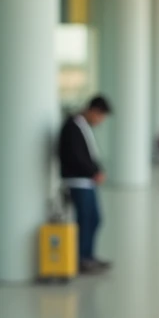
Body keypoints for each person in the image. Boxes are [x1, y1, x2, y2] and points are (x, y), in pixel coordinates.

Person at [58, 95, 112, 273]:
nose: (100, 121)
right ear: (93, 111)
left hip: (86, 181)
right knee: (85, 220)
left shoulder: (82, 126)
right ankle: (81, 258)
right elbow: (74, 156)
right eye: (100, 116)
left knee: (93, 219)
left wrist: (97, 170)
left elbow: (89, 153)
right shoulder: (72, 127)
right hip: (78, 181)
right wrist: (93, 172)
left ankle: (87, 256)